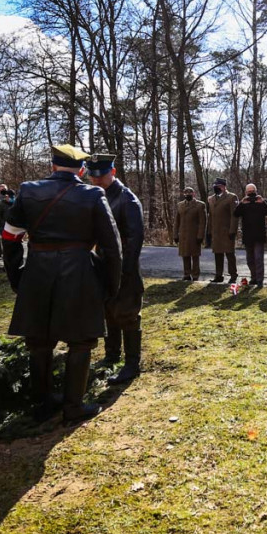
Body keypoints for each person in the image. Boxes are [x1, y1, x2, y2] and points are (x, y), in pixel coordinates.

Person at [1, 144, 122, 423]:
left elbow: (10, 238)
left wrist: (17, 275)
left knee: (39, 342)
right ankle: (73, 407)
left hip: (37, 271)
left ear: (53, 166)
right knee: (81, 341)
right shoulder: (93, 194)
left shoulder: (27, 190)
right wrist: (110, 285)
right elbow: (112, 247)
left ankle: (43, 405)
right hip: (79, 271)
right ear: (81, 170)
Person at [88, 153, 145, 385]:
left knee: (128, 315)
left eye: (101, 176)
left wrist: (124, 271)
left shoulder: (126, 199)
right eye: (93, 176)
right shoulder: (97, 197)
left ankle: (132, 364)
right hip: (103, 265)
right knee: (108, 312)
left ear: (113, 172)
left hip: (125, 269)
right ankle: (112, 355)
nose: (96, 180)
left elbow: (134, 239)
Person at [233, 183, 267, 287]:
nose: (251, 193)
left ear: (256, 191)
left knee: (258, 258)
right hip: (247, 236)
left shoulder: (261, 202)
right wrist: (241, 203)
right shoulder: (244, 204)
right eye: (249, 191)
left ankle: (260, 280)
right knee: (250, 259)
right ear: (246, 193)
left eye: (252, 191)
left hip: (259, 235)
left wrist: (262, 202)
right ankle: (253, 277)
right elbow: (236, 214)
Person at [207, 177, 240, 284]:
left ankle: (233, 275)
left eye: (219, 186)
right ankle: (218, 275)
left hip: (227, 231)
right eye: (215, 186)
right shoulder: (211, 199)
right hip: (216, 232)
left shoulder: (231, 197)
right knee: (217, 254)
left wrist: (233, 231)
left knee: (229, 254)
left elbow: (234, 216)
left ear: (223, 187)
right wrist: (209, 231)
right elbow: (210, 216)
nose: (216, 188)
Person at [175, 186, 206, 281]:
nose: (188, 194)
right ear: (184, 194)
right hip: (183, 234)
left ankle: (195, 275)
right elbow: (177, 221)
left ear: (194, 194)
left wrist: (200, 235)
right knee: (185, 255)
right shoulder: (180, 205)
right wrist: (175, 234)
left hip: (194, 235)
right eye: (186, 193)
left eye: (190, 193)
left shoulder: (200, 205)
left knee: (195, 255)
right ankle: (186, 274)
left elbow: (203, 222)